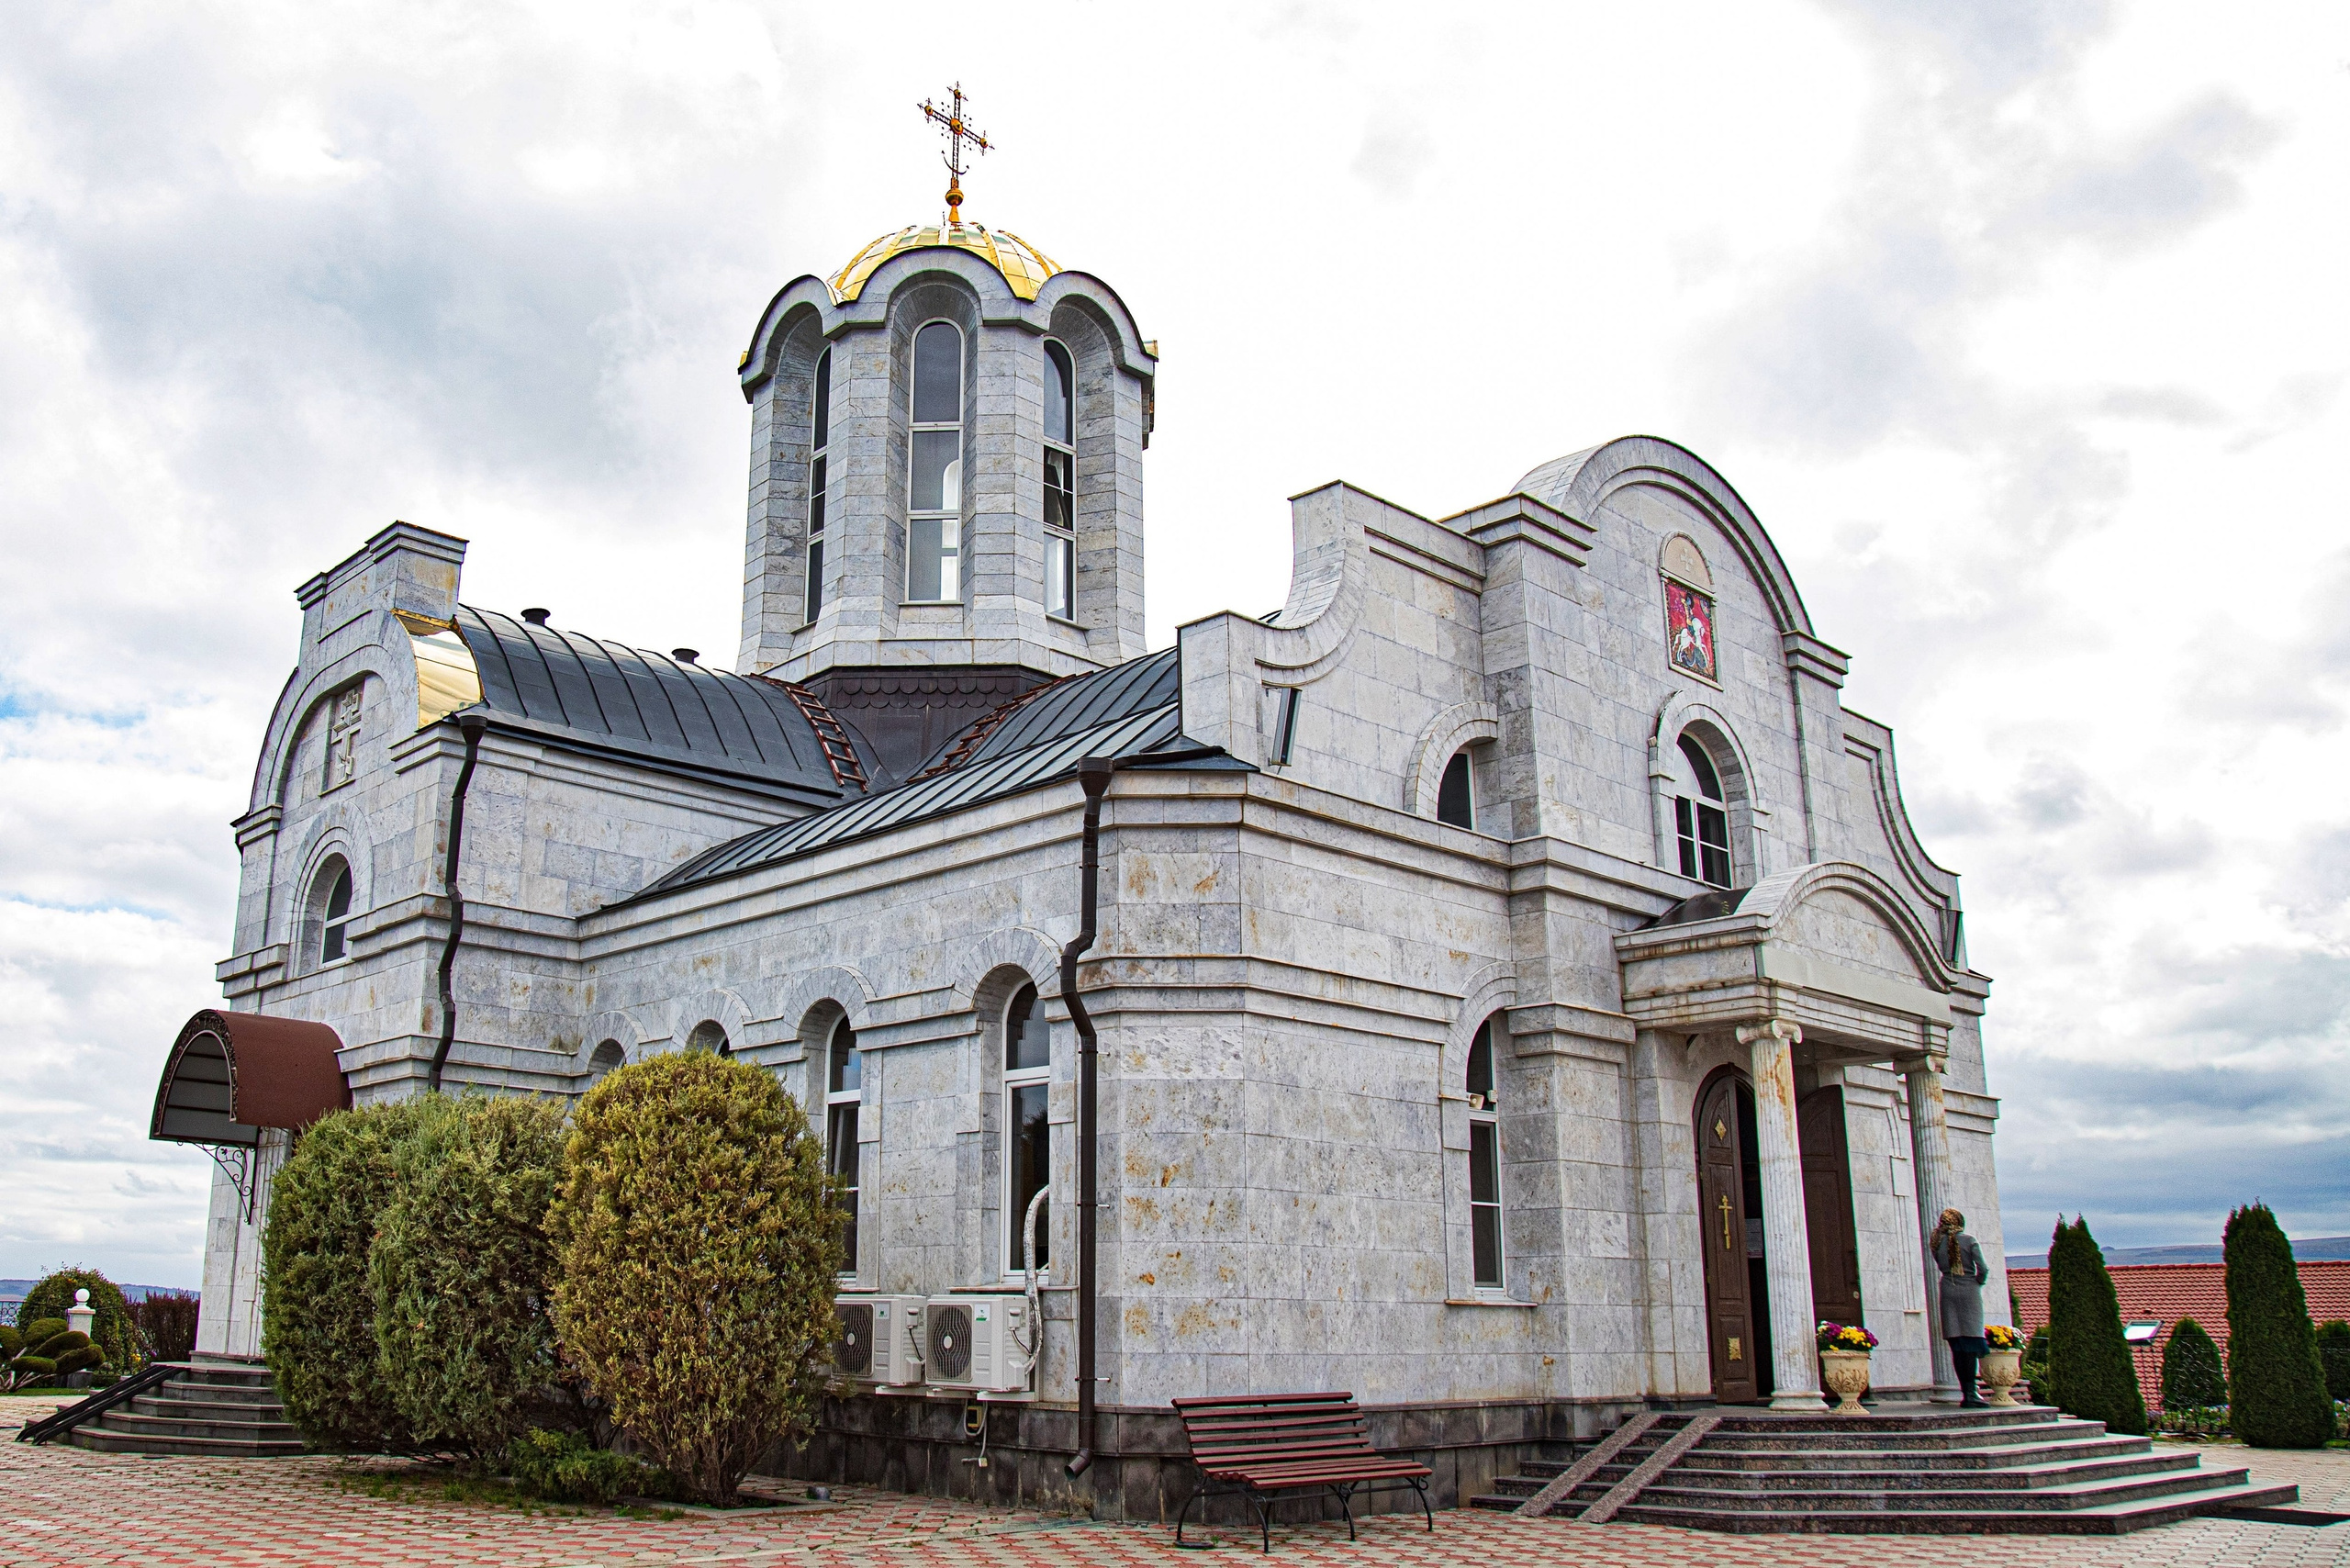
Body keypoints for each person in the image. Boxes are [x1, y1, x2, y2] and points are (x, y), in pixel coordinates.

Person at [1930, 1207, 1989, 1407]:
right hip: (1968, 1290)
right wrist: (1976, 1282)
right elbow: (1983, 1268)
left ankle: (1965, 1391)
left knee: (1957, 1344)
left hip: (1947, 1289)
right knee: (1971, 1342)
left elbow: (1940, 1265)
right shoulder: (1969, 1240)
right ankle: (1972, 1393)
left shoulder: (1937, 1243)